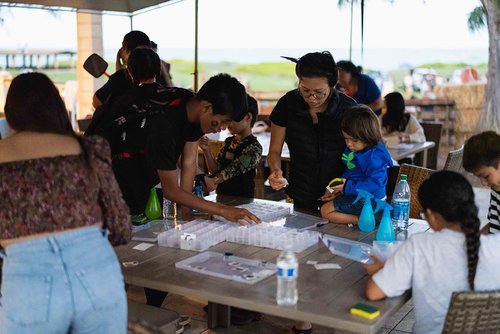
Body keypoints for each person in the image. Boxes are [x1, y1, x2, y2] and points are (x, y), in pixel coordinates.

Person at [0, 72, 132, 334]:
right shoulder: (90, 148)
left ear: (10, 113)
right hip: (98, 273)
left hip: (29, 283)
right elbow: (120, 225)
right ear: (57, 107)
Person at [89, 48, 260, 224]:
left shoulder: (191, 106)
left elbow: (188, 164)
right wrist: (224, 210)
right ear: (206, 107)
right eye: (222, 121)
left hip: (139, 169)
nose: (223, 128)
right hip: (112, 173)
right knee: (126, 226)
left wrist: (186, 213)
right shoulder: (165, 124)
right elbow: (171, 190)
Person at [363, 171, 500, 334]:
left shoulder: (419, 246)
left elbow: (373, 292)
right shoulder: (495, 246)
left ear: (430, 215)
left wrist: (378, 269)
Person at [268, 51, 358, 216]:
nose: (312, 97)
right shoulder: (287, 105)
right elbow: (274, 151)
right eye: (305, 89)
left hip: (340, 198)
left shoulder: (349, 110)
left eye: (319, 91)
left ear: (332, 84)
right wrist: (275, 170)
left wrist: (345, 186)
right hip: (301, 193)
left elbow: (364, 157)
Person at [320, 105, 393, 224]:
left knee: (325, 211)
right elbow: (353, 173)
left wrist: (347, 187)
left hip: (371, 200)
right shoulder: (357, 148)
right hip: (358, 193)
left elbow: (376, 182)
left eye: (354, 140)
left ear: (368, 136)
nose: (349, 144)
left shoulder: (374, 156)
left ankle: (366, 220)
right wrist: (336, 190)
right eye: (346, 139)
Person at [199, 95, 262, 198]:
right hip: (222, 197)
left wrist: (212, 181)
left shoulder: (255, 148)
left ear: (248, 117)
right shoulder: (229, 142)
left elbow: (233, 169)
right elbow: (216, 171)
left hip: (242, 202)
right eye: (227, 118)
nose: (228, 123)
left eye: (233, 118)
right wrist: (207, 151)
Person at [93, 30, 152, 109]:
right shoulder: (155, 73)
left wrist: (118, 59)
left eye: (123, 47)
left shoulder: (121, 77)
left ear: (125, 48)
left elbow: (96, 102)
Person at [463, 131, 500, 234]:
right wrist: (476, 240)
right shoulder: (496, 188)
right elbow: (493, 225)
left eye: (486, 176)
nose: (483, 183)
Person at [380, 92, 425, 164]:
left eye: (384, 106)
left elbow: (421, 136)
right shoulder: (381, 119)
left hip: (405, 159)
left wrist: (405, 139)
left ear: (392, 107)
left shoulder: (408, 119)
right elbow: (377, 137)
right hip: (386, 156)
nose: (382, 109)